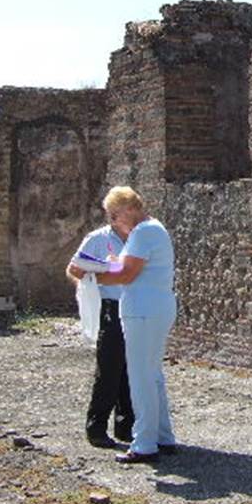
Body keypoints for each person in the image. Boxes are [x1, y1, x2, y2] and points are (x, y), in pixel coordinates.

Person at [95, 185, 177, 464]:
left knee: (140, 377)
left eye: (115, 216)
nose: (114, 222)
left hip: (144, 309)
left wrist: (99, 274)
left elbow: (128, 274)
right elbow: (137, 265)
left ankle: (144, 443)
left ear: (130, 209)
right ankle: (163, 436)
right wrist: (115, 263)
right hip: (155, 306)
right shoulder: (153, 229)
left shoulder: (143, 231)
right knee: (152, 374)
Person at [66, 218, 134, 449]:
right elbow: (74, 268)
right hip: (110, 306)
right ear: (114, 215)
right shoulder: (99, 238)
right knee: (109, 367)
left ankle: (126, 425)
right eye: (126, 212)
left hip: (134, 306)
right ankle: (96, 426)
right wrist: (89, 287)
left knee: (130, 368)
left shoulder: (138, 237)